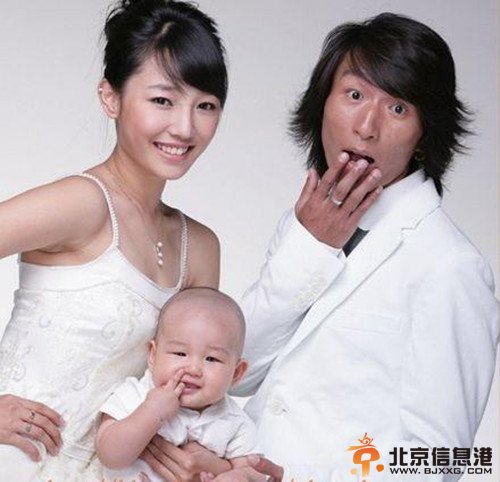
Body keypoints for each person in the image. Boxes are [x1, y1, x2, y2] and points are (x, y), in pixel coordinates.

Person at [0, 1, 279, 480]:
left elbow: (195, 401)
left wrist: (213, 462)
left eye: (205, 105)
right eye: (163, 101)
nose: (185, 127)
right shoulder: (82, 203)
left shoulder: (200, 247)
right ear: (111, 98)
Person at [224, 12, 499, 482]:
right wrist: (310, 246)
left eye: (398, 108)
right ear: (322, 104)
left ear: (425, 133)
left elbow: (441, 460)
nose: (366, 126)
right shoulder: (305, 225)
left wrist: (294, 477)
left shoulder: (450, 265)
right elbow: (236, 372)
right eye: (354, 95)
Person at [96, 287, 256, 481]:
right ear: (153, 355)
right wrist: (151, 411)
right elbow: (110, 457)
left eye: (211, 359)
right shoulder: (136, 395)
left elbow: (250, 472)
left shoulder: (236, 422)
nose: (194, 369)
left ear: (236, 373)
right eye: (180, 353)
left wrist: (237, 475)